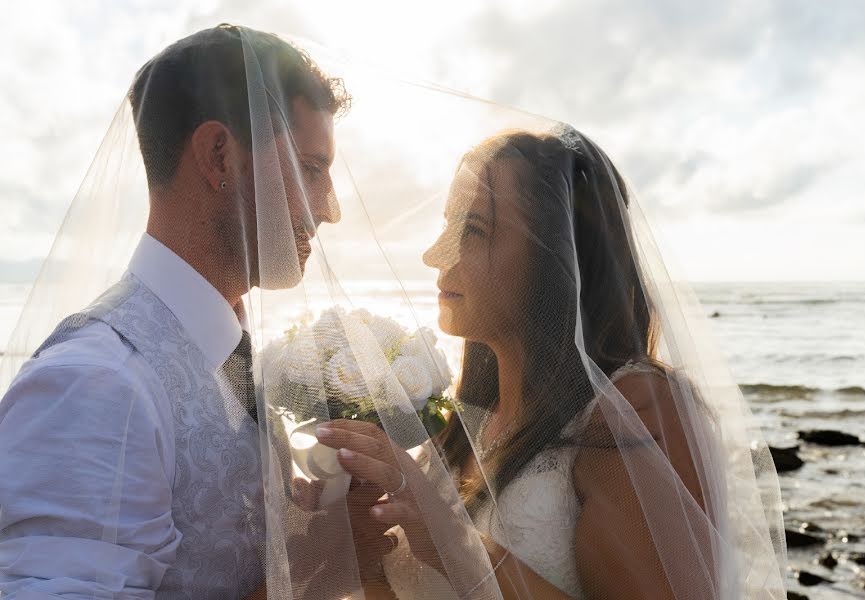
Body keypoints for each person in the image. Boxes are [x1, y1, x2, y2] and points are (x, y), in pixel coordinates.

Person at [315, 129, 788, 599]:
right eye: (448, 224)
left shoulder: (634, 409)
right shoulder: (459, 424)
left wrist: (451, 540)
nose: (434, 253)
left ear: (558, 258)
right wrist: (362, 545)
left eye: (473, 229)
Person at [0, 24, 350, 599]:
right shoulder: (95, 384)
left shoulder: (234, 358)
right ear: (219, 155)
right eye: (311, 170)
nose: (329, 211)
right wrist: (316, 569)